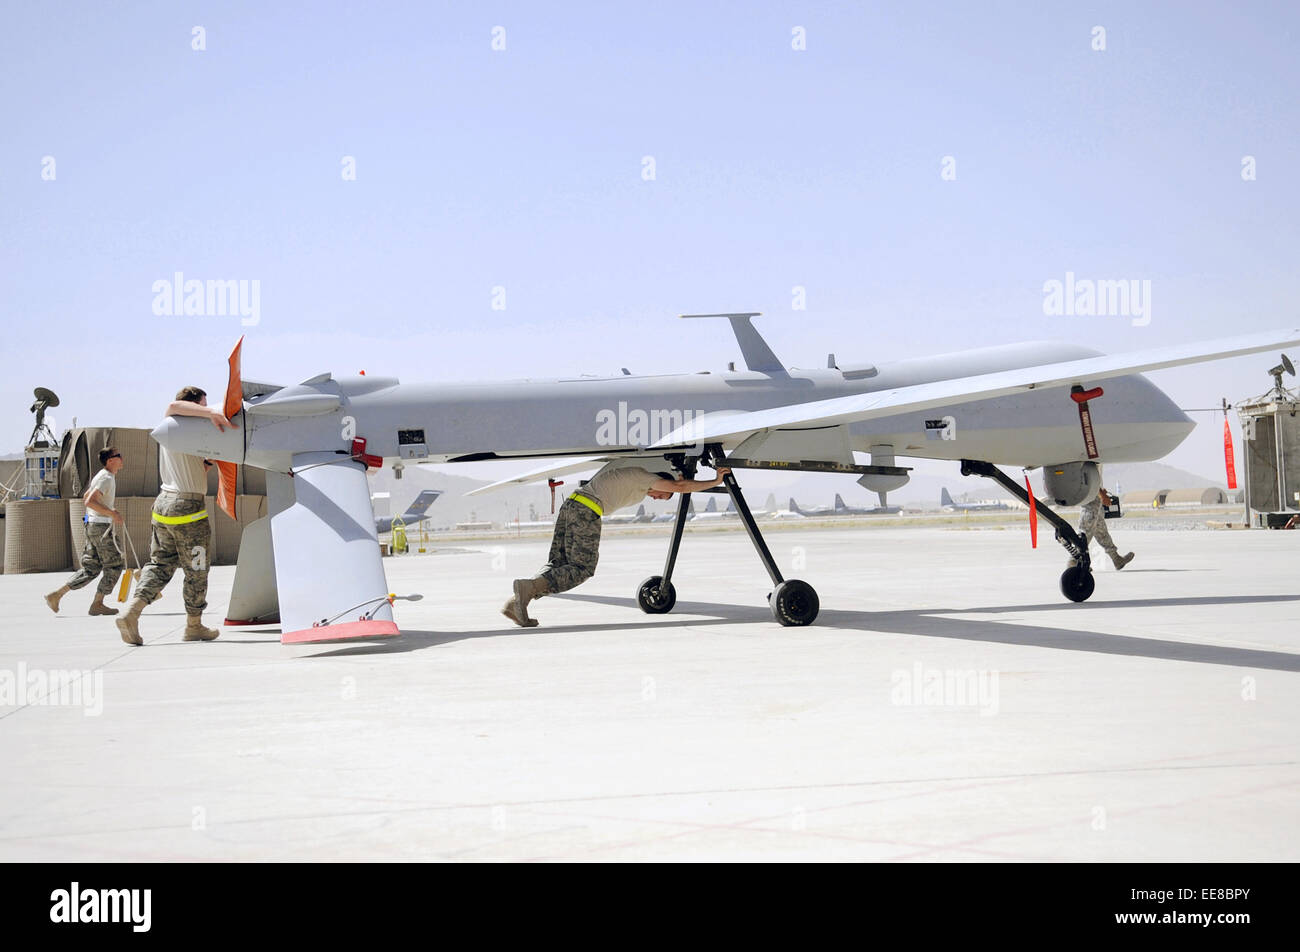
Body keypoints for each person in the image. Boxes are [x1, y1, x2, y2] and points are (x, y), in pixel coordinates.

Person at [503, 462, 731, 627]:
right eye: (663, 495)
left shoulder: (636, 482)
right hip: (585, 509)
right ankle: (527, 589)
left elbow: (677, 484)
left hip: (571, 504)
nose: (656, 498)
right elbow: (680, 487)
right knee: (582, 568)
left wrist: (680, 475)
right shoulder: (643, 477)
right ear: (664, 482)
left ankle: (517, 602)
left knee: (560, 563)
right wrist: (715, 481)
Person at [116, 387, 235, 646]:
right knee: (197, 569)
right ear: (193, 403)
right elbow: (173, 405)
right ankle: (194, 626)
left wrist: (207, 463)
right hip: (187, 509)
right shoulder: (176, 419)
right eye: (202, 404)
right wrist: (212, 412)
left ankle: (131, 611)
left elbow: (192, 467)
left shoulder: (177, 430)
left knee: (160, 564)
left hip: (163, 505)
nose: (206, 410)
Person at [45, 447, 127, 616]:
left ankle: (56, 595)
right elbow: (89, 501)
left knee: (91, 568)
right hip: (101, 528)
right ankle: (98, 603)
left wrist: (107, 508)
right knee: (115, 565)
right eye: (118, 456)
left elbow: (86, 497)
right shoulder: (106, 478)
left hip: (92, 525)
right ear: (110, 460)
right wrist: (111, 513)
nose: (121, 458)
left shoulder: (101, 476)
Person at [1073, 487, 1134, 570]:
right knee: (1085, 533)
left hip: (1095, 503)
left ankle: (1116, 558)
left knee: (1102, 533)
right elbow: (1087, 479)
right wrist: (1101, 494)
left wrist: (1101, 492)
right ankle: (1074, 562)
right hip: (1090, 503)